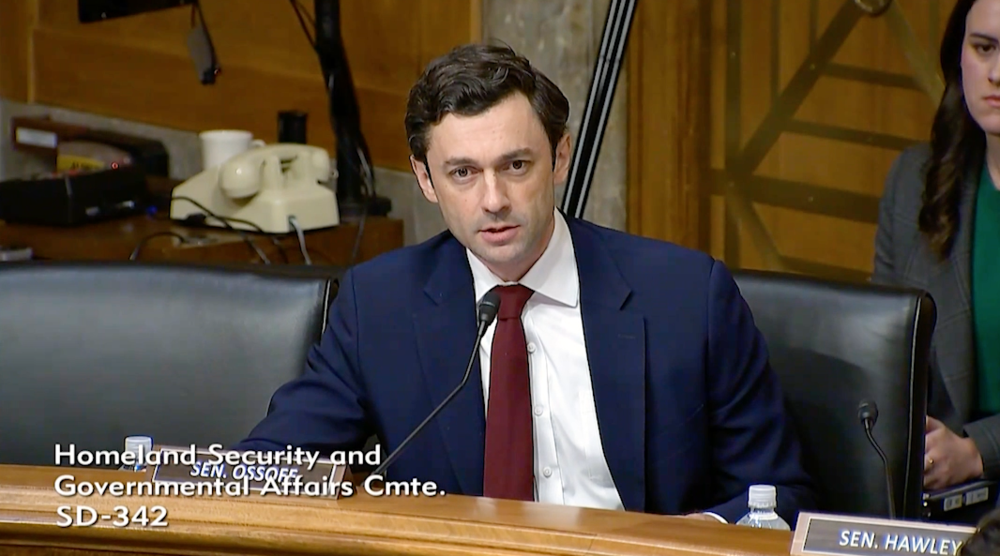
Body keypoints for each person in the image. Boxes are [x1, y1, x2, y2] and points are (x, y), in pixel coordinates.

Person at [233, 43, 816, 524]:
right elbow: (269, 467)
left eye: (516, 165)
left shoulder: (686, 297)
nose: (493, 201)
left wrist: (692, 541)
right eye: (462, 173)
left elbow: (778, 497)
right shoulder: (378, 304)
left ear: (560, 157)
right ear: (425, 179)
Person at [873, 0, 1000, 493]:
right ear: (959, 56)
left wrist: (976, 451)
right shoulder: (914, 181)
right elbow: (881, 353)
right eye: (984, 48)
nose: (996, 73)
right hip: (936, 495)